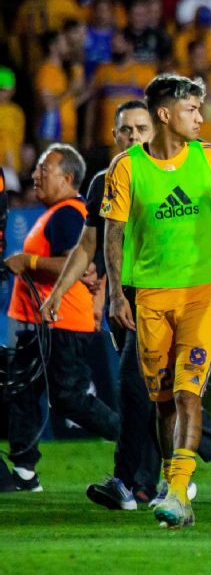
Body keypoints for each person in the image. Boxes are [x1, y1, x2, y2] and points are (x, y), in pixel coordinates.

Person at [40, 101, 211, 510]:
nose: (133, 136)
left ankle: (137, 482)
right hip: (130, 301)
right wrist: (59, 290)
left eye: (140, 128)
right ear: (114, 135)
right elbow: (89, 244)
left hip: (178, 295)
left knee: (143, 390)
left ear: (156, 128)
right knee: (153, 392)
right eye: (125, 130)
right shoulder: (108, 180)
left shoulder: (189, 168)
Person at [102, 75, 211, 528]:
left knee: (189, 392)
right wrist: (117, 294)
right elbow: (113, 234)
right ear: (166, 115)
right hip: (150, 294)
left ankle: (176, 492)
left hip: (202, 293)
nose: (200, 117)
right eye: (193, 110)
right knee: (163, 401)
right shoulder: (127, 168)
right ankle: (177, 488)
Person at [3, 143, 119, 491]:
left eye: (44, 169)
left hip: (62, 323)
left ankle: (136, 445)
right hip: (42, 324)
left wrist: (29, 262)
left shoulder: (70, 213)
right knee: (21, 390)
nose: (35, 175)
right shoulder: (54, 213)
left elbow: (75, 263)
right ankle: (24, 469)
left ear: (68, 177)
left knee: (69, 399)